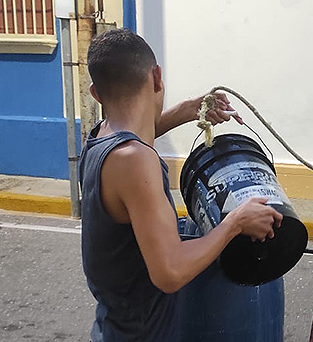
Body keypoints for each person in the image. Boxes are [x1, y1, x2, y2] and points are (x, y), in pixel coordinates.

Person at [79, 29, 282, 342]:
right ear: (157, 78)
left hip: (113, 326)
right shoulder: (136, 161)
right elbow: (170, 273)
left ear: (96, 93)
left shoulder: (100, 139)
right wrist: (234, 223)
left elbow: (139, 132)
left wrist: (189, 109)